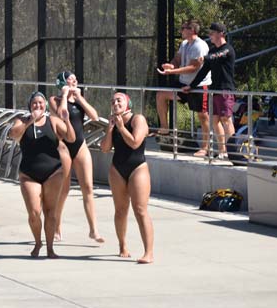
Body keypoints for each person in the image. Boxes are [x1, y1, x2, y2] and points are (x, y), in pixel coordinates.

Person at [9, 91, 74, 258]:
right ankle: (38, 242)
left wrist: (66, 119)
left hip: (54, 172)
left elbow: (71, 138)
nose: (38, 106)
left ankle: (50, 248)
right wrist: (31, 120)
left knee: (50, 212)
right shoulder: (22, 121)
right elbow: (13, 134)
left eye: (41, 103)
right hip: (29, 174)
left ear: (45, 105)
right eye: (34, 104)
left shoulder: (53, 121)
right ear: (30, 106)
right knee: (34, 213)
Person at [50, 71, 104, 243]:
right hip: (64, 146)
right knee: (63, 189)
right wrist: (65, 95)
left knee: (88, 187)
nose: (74, 81)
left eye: (75, 79)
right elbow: (60, 114)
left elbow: (95, 117)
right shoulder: (55, 100)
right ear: (63, 83)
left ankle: (93, 230)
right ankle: (56, 226)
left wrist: (80, 99)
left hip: (80, 145)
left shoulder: (80, 101)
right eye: (70, 79)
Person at [100, 92, 154, 264]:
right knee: (120, 210)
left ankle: (149, 253)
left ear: (128, 103)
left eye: (119, 100)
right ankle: (122, 246)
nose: (115, 103)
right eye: (112, 101)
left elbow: (135, 142)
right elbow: (105, 148)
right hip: (117, 169)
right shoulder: (114, 123)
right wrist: (110, 129)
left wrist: (122, 127)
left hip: (137, 168)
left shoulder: (138, 119)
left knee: (140, 209)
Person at [156, 18, 211, 156]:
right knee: (161, 95)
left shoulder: (200, 46)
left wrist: (172, 72)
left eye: (183, 28)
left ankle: (205, 147)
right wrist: (171, 65)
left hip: (199, 85)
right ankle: (165, 128)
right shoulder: (185, 43)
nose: (181, 31)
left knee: (203, 116)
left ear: (192, 30)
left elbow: (193, 67)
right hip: (183, 83)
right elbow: (177, 59)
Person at [184, 22, 236, 160]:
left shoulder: (227, 49)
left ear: (221, 33)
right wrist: (192, 85)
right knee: (215, 120)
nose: (210, 36)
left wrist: (204, 58)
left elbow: (217, 56)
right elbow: (203, 71)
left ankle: (233, 151)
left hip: (226, 89)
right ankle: (222, 150)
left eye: (212, 33)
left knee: (226, 119)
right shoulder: (212, 51)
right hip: (215, 90)